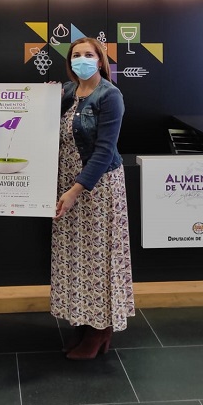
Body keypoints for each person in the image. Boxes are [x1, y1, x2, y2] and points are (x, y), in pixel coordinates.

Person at [51, 37, 135, 360]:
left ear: (100, 60)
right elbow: (29, 110)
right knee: (76, 257)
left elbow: (104, 151)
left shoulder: (110, 96)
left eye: (89, 54)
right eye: (76, 55)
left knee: (99, 258)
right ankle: (83, 321)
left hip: (97, 189)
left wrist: (75, 190)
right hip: (67, 184)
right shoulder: (68, 92)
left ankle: (101, 329)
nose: (82, 59)